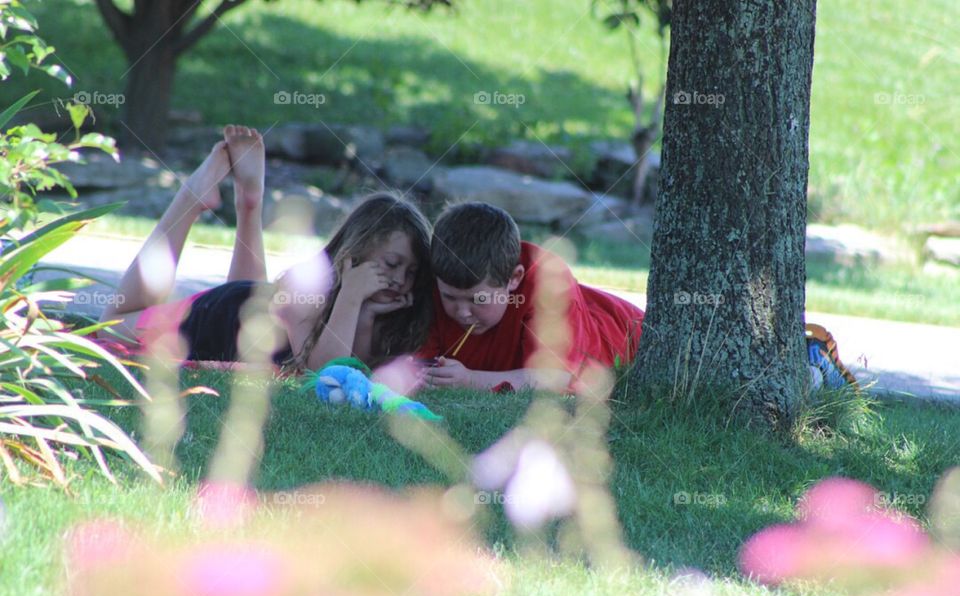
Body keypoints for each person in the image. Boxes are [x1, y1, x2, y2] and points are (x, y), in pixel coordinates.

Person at [100, 125, 433, 371]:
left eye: (411, 272)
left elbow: (355, 367)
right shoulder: (312, 293)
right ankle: (189, 199)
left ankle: (249, 200)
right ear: (353, 256)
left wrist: (365, 311)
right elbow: (327, 370)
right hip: (215, 318)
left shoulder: (375, 312)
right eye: (391, 264)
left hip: (246, 312)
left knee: (249, 302)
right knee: (110, 325)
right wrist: (351, 294)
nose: (401, 280)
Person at [418, 201, 645, 391]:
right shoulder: (435, 281)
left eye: (478, 299)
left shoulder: (549, 286)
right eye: (449, 297)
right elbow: (419, 363)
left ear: (514, 279)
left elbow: (556, 379)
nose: (462, 312)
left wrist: (470, 380)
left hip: (633, 336)